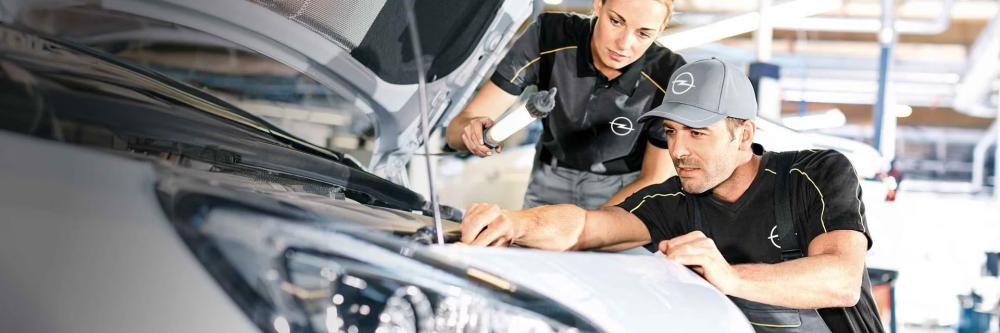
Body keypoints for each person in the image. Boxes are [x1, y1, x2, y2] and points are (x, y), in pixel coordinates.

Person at [459, 58, 885, 333]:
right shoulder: (673, 201)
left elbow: (841, 281)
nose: (678, 150)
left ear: (744, 136)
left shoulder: (814, 174)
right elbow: (587, 226)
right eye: (672, 132)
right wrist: (514, 223)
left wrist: (731, 277)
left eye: (697, 133)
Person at [446, 0, 686, 209]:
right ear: (598, 4)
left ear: (661, 29)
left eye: (643, 34)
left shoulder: (669, 75)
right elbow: (456, 132)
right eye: (615, 21)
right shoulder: (549, 37)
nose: (624, 44)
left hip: (626, 193)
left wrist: (588, 224)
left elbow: (655, 178)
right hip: (549, 181)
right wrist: (472, 132)